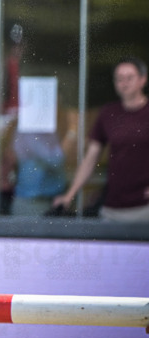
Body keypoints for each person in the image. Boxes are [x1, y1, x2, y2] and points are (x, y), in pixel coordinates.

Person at [52, 57, 149, 223]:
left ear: (143, 80)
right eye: (119, 79)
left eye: (129, 78)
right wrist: (70, 195)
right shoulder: (108, 113)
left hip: (145, 208)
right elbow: (91, 157)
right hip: (112, 206)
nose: (124, 83)